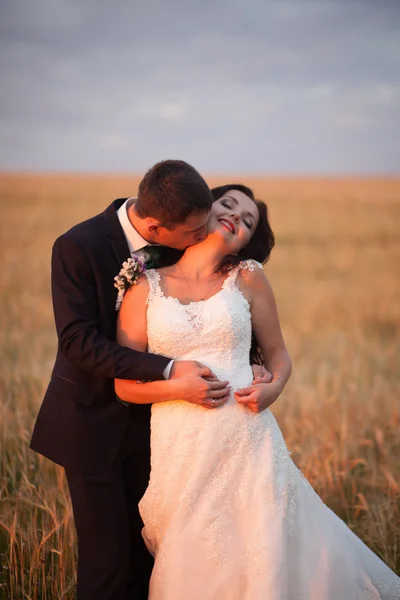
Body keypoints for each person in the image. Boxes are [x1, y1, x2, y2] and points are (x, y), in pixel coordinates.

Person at [116, 184, 400, 599]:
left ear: (248, 239)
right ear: (202, 211)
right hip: (181, 446)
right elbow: (125, 385)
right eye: (228, 205)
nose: (237, 217)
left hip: (249, 440)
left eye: (248, 221)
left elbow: (279, 356)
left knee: (262, 552)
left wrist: (274, 388)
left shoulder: (247, 277)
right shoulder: (145, 286)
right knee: (193, 555)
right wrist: (178, 388)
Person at [30, 162, 270, 600]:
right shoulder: (78, 246)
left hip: (166, 431)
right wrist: (166, 369)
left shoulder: (187, 234)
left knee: (156, 557)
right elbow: (78, 342)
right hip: (92, 425)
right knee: (106, 563)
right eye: (193, 232)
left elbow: (213, 313)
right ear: (157, 228)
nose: (202, 236)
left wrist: (253, 366)